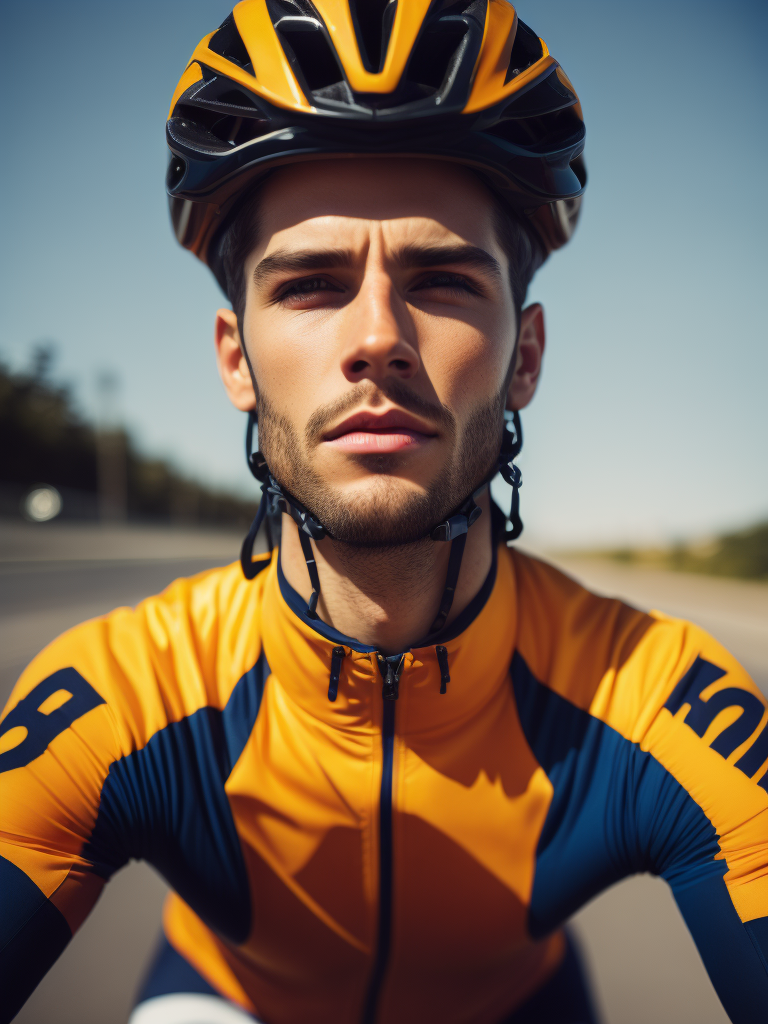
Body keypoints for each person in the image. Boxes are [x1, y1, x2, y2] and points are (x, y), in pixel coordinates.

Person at [1, 3, 766, 1023]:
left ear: (526, 356)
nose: (377, 338)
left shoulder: (652, 695)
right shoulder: (127, 696)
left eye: (442, 281)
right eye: (311, 285)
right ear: (236, 359)